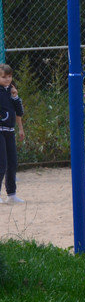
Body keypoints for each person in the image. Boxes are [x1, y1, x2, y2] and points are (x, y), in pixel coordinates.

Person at [0, 63, 26, 204]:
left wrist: (20, 128)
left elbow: (19, 112)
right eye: (4, 77)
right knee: (1, 163)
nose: (7, 80)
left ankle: (11, 194)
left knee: (12, 163)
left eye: (9, 77)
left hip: (10, 130)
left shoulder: (11, 91)